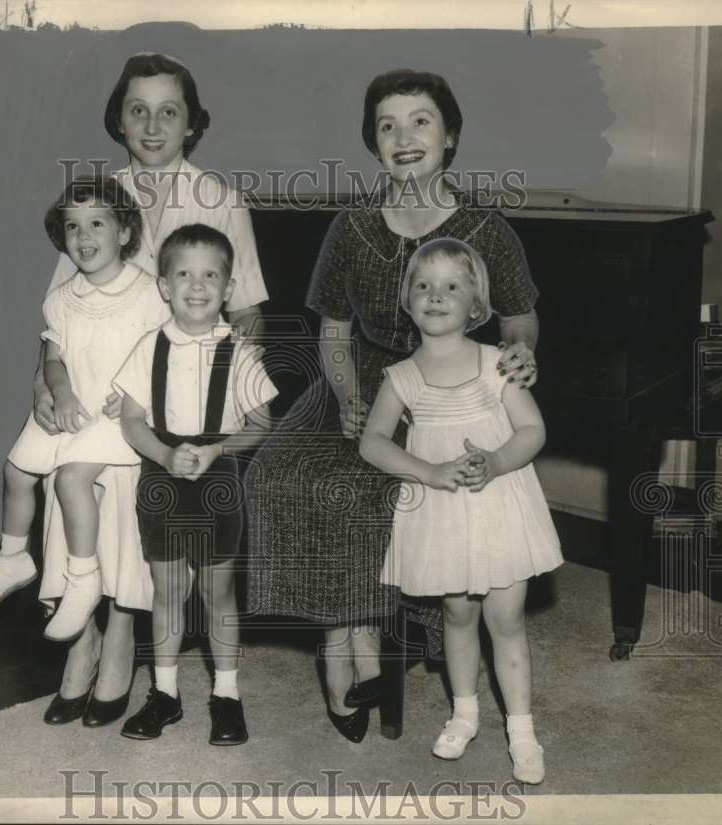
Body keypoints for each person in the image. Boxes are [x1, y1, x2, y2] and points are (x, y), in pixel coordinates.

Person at [245, 68, 541, 744]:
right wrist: (348, 397)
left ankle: (368, 625)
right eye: (387, 125)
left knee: (382, 487)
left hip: (449, 385)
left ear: (451, 136)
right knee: (283, 475)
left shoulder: (487, 228)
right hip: (362, 380)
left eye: (421, 121)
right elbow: (334, 333)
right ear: (372, 143)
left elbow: (521, 318)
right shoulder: (350, 226)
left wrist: (522, 352)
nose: (404, 137)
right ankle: (339, 633)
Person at [34, 54, 271, 726]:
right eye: (137, 109)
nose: (153, 123)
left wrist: (219, 410)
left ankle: (120, 642)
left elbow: (246, 310)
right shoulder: (97, 197)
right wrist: (43, 383)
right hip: (93, 383)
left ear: (193, 123)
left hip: (173, 398)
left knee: (134, 498)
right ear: (118, 119)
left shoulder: (221, 200)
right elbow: (61, 307)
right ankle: (80, 638)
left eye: (170, 110)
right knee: (66, 474)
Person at [359, 238, 561, 783]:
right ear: (407, 300)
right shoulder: (401, 376)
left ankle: (521, 729)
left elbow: (533, 430)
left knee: (506, 618)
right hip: (442, 511)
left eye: (452, 285)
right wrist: (427, 472)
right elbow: (372, 442)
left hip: (499, 506)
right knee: (456, 614)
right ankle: (465, 713)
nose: (435, 295)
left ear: (477, 304)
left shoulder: (498, 364)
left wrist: (495, 461)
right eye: (423, 285)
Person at [0, 175, 168, 647]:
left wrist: (142, 395)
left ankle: (82, 578)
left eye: (97, 223)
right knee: (16, 470)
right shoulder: (61, 299)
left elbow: (168, 356)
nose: (84, 236)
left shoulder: (147, 293)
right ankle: (13, 557)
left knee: (72, 477)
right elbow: (53, 358)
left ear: (123, 232)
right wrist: (60, 394)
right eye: (73, 227)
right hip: (73, 407)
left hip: (120, 417)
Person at [114, 223, 277, 745]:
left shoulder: (241, 351)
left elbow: (261, 423)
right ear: (164, 285)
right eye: (184, 273)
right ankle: (165, 693)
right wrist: (164, 454)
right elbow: (133, 420)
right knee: (167, 590)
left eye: (211, 275)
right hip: (161, 479)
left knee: (216, 591)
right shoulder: (147, 347)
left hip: (218, 479)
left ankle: (226, 695)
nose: (197, 284)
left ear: (229, 289)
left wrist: (215, 450)